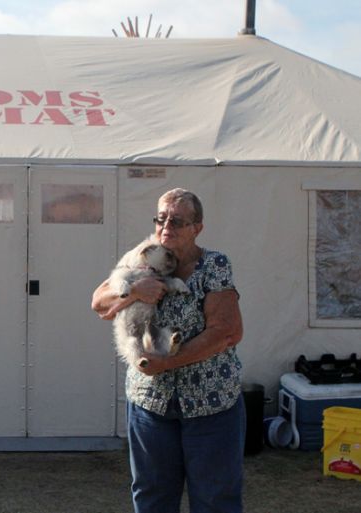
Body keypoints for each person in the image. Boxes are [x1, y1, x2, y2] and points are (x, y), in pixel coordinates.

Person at [91, 188, 244, 513]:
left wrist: (167, 362)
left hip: (210, 403)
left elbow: (227, 331)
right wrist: (135, 291)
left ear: (197, 228)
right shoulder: (142, 254)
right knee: (153, 499)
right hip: (151, 404)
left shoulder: (214, 264)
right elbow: (99, 303)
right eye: (161, 219)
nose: (165, 227)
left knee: (215, 499)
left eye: (177, 221)